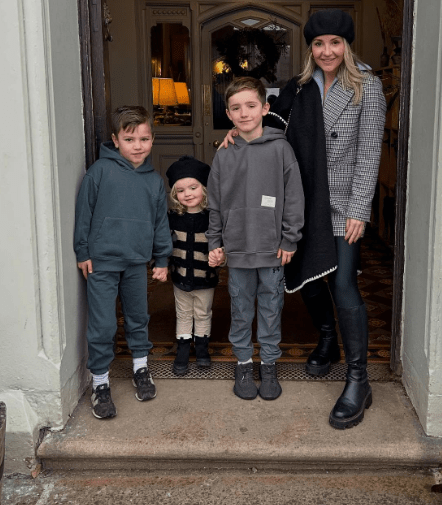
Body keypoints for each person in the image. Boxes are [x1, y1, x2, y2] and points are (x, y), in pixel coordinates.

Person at [222, 10, 386, 429]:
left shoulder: (367, 86)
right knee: (306, 278)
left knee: (344, 283)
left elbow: (370, 152)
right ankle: (327, 339)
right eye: (318, 43)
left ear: (346, 45)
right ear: (310, 48)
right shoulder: (298, 87)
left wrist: (359, 210)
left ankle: (358, 380)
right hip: (300, 197)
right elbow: (269, 123)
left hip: (343, 202)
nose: (326, 51)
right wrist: (235, 135)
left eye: (335, 42)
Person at [207, 76, 305, 401]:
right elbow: (215, 204)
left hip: (272, 250)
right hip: (237, 250)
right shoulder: (224, 154)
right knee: (240, 308)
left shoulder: (281, 149)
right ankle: (244, 363)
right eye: (236, 108)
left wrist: (290, 239)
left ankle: (270, 364)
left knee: (271, 307)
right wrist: (215, 242)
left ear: (264, 108)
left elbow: (294, 198)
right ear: (228, 113)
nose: (244, 113)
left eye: (250, 105)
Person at [74, 106, 172, 419]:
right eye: (130, 139)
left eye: (144, 138)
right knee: (102, 324)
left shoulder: (154, 182)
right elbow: (84, 213)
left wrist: (162, 257)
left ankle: (141, 369)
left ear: (152, 140)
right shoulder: (99, 172)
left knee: (138, 316)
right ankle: (100, 383)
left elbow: (160, 223)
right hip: (101, 262)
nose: (138, 145)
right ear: (116, 140)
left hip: (135, 263)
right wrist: (82, 252)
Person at [165, 156, 219, 376]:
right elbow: (165, 246)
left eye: (193, 187)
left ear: (204, 189)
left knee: (203, 313)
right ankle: (183, 351)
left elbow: (219, 248)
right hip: (179, 278)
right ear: (175, 195)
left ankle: (203, 349)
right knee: (184, 314)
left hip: (205, 279)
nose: (187, 194)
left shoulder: (213, 219)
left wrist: (220, 258)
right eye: (181, 190)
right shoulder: (171, 218)